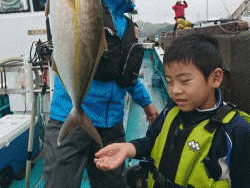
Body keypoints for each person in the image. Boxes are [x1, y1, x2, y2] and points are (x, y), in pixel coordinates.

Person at [21, 0, 159, 187]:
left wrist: (147, 104)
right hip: (67, 117)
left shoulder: (129, 27)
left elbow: (126, 74)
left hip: (112, 125)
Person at [94, 34, 250, 188]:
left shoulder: (236, 130)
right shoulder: (171, 110)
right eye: (169, 82)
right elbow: (151, 141)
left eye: (184, 81)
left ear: (215, 78)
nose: (175, 90)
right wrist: (127, 148)